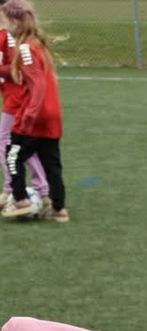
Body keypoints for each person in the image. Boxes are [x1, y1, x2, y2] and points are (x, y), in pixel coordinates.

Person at [0, 0, 66, 222]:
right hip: (52, 114)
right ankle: (59, 209)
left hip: (35, 113)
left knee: (12, 154)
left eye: (5, 20)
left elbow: (37, 83)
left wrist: (29, 115)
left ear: (15, 21)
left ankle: (20, 200)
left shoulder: (26, 47)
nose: (4, 25)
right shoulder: (37, 43)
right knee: (51, 163)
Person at [0, 1, 48, 215]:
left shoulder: (9, 35)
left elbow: (18, 69)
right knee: (15, 144)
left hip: (18, 97)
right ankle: (34, 189)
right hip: (11, 96)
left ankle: (22, 189)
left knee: (10, 144)